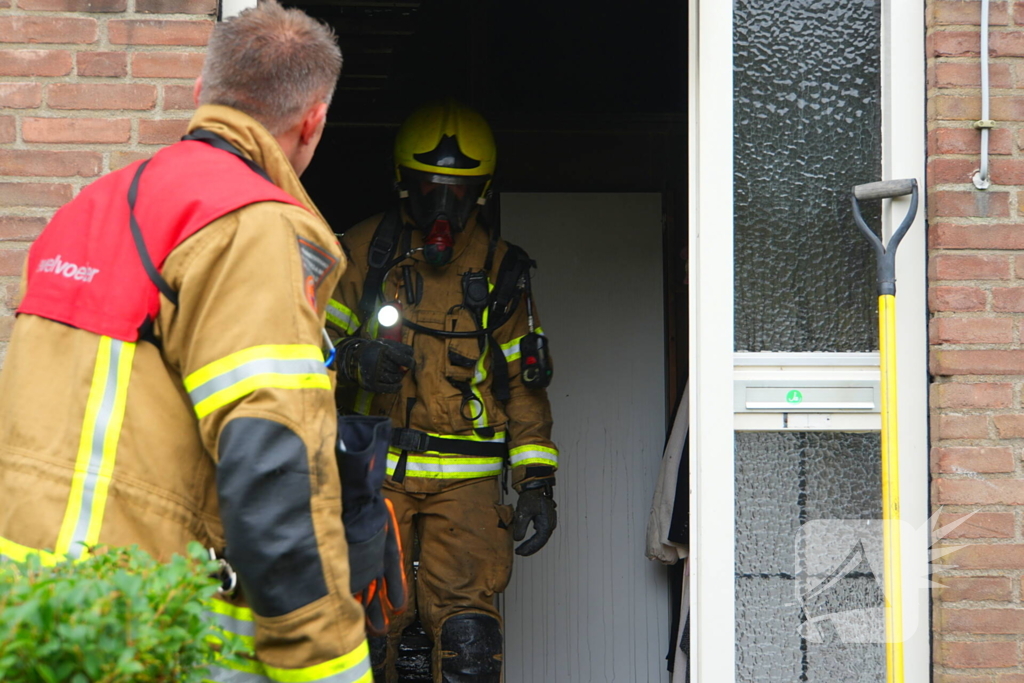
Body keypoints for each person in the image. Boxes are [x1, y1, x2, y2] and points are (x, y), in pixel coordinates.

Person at [0, 3, 375, 681]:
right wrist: (332, 666)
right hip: (152, 633)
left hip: (35, 627)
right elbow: (273, 469)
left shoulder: (88, 207)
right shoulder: (251, 229)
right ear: (313, 120)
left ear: (203, 95)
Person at [327, 100, 559, 683]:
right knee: (367, 624)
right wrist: (354, 359)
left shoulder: (503, 272)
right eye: (429, 190)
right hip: (377, 474)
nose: (441, 209)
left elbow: (526, 391)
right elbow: (302, 348)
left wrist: (537, 483)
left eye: (456, 194)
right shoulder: (363, 252)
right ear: (402, 184)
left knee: (469, 642)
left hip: (468, 484)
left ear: (481, 193)